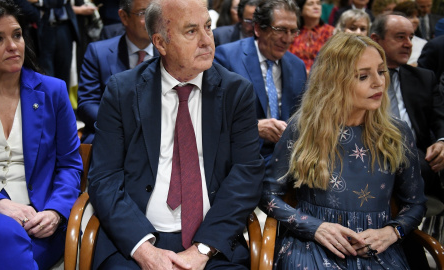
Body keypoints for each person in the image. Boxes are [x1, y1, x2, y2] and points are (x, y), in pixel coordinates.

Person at [87, 0, 265, 268]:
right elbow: (104, 178)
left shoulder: (236, 92)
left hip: (212, 241)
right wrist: (144, 250)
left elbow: (247, 175)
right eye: (191, 32)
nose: (207, 41)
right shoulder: (122, 91)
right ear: (160, 43)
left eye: (208, 27)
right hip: (136, 241)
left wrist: (202, 250)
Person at [260, 32, 427, 269]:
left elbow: (416, 203)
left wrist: (392, 232)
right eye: (363, 76)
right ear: (334, 82)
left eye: (381, 71)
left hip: (378, 247)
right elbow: (268, 194)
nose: (378, 82)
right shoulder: (304, 128)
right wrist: (313, 227)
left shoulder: (396, 134)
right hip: (312, 244)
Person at [0, 1, 82, 269]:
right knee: (5, 234)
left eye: (17, 35)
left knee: (6, 252)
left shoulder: (53, 91)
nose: (13, 46)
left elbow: (70, 164)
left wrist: (55, 211)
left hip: (39, 220)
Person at [371, 14, 444, 268]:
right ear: (375, 40)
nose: (408, 44)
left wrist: (443, 140)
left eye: (411, 37)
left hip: (420, 161)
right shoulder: (360, 81)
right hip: (371, 160)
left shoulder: (423, 78)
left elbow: (439, 120)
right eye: (399, 37)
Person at [214, 0, 307, 164]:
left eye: (293, 31)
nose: (287, 39)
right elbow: (213, 116)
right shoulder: (227, 58)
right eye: (280, 30)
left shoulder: (297, 66)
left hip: (287, 161)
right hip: (242, 160)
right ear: (258, 29)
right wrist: (254, 127)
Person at [78, 0, 158, 144]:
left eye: (155, 12)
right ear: (124, 17)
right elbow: (87, 103)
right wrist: (123, 127)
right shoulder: (98, 53)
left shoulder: (169, 54)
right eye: (143, 13)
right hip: (111, 136)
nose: (151, 20)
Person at [289, 0, 334, 73]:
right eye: (310, 4)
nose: (316, 7)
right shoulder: (293, 32)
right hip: (295, 74)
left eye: (318, 4)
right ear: (300, 10)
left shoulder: (330, 32)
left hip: (321, 77)